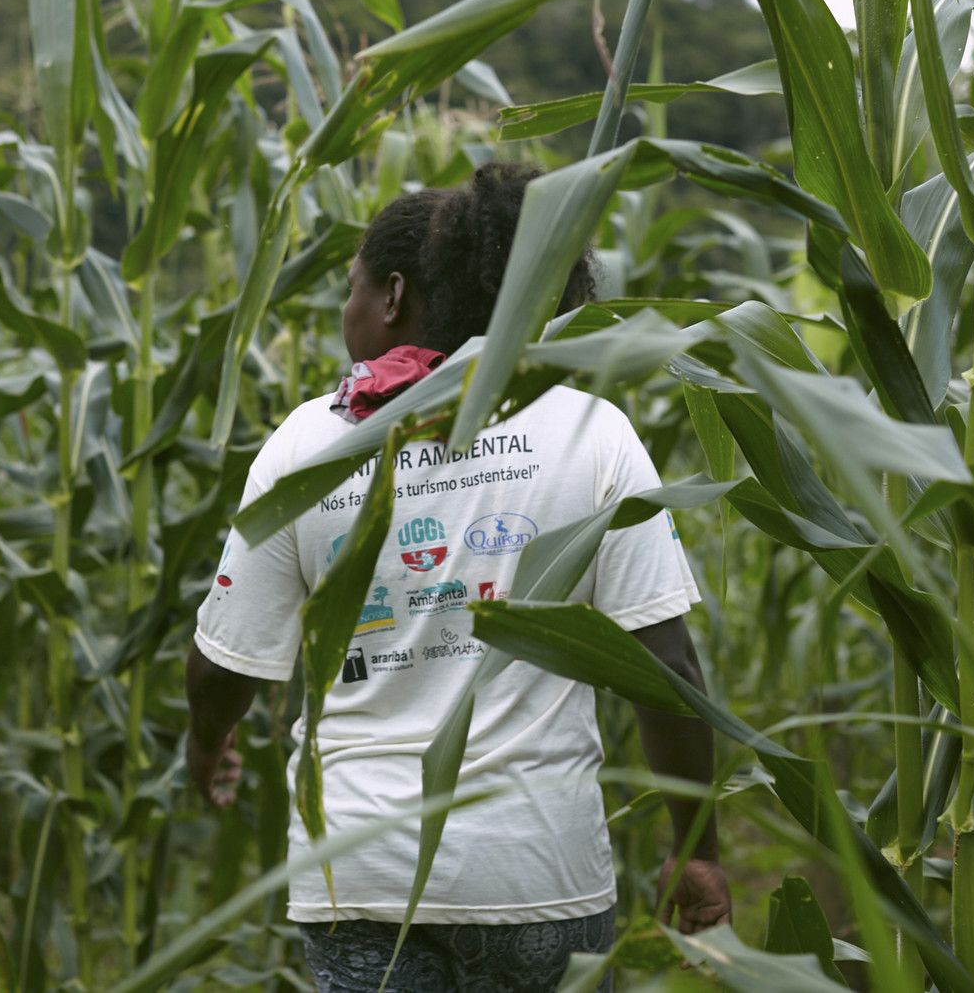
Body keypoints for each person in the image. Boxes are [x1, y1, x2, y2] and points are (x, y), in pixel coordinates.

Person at [186, 163, 730, 993]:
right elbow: (666, 668)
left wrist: (207, 739)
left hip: (360, 874)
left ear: (395, 295)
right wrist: (696, 850)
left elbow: (224, 664)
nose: (347, 311)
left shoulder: (307, 448)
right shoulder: (594, 433)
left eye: (353, 289)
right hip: (539, 870)